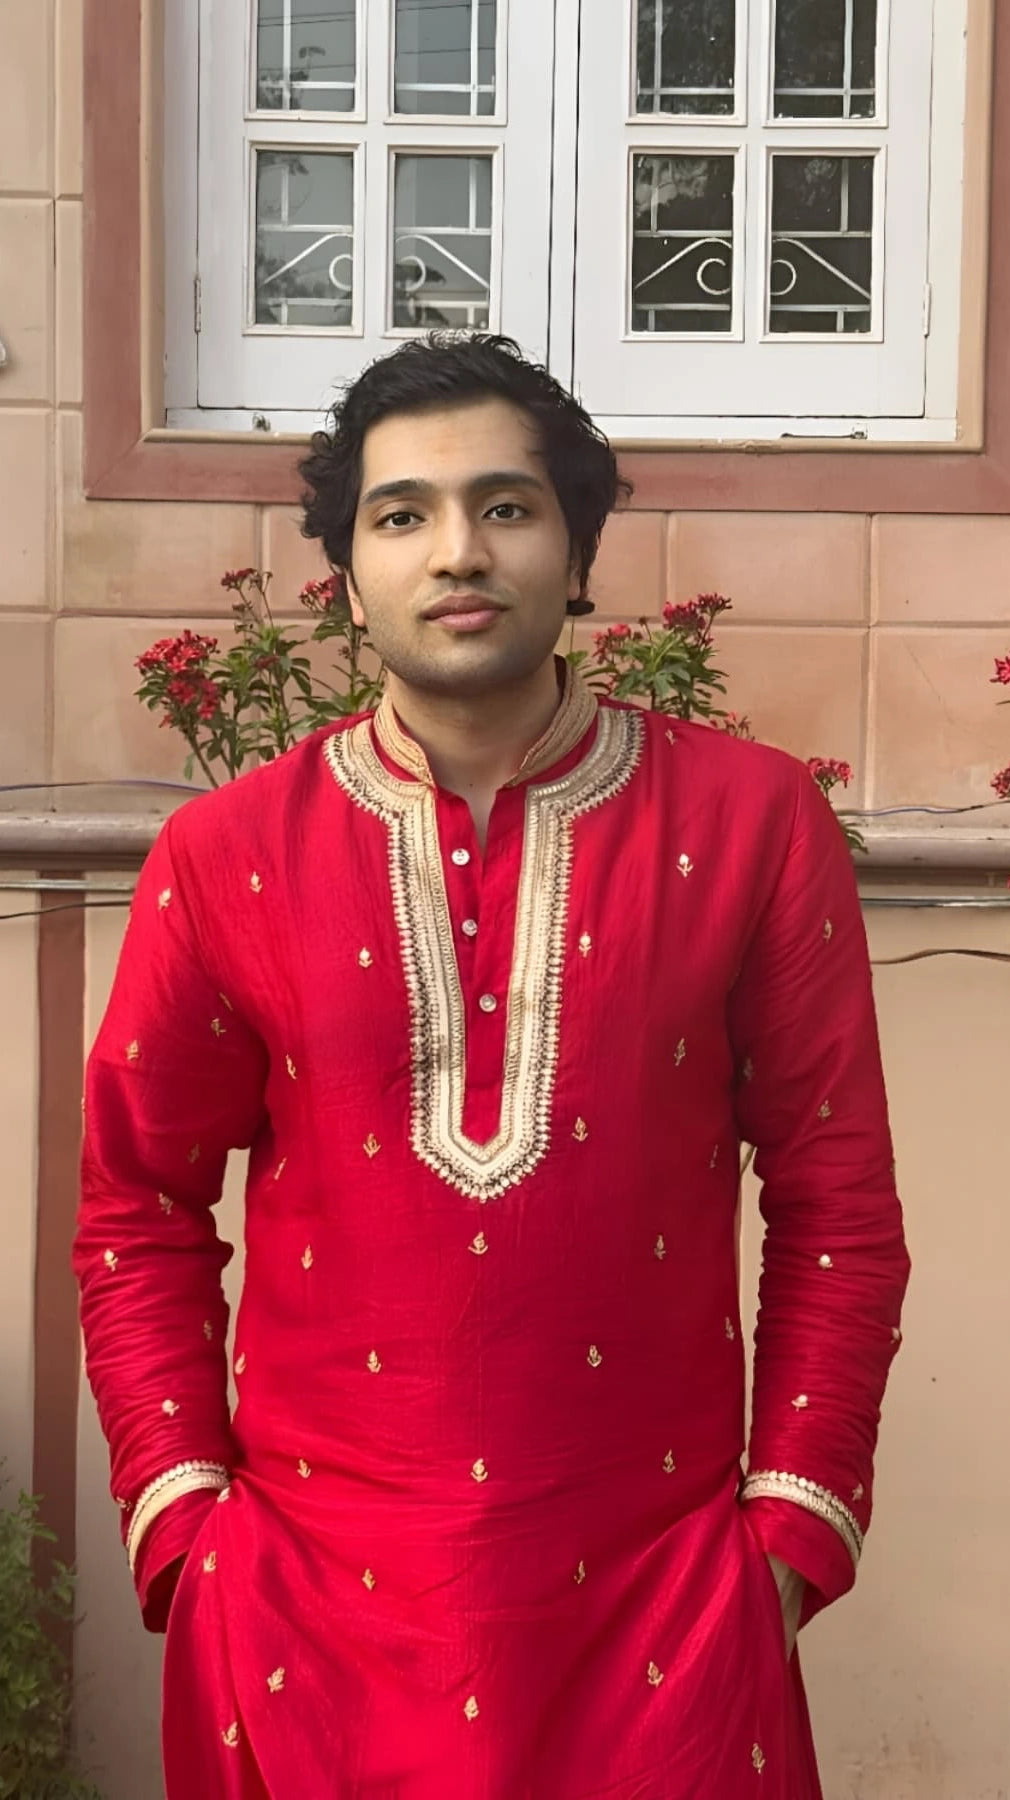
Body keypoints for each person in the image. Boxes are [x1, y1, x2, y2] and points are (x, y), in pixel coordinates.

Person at [74, 334, 909, 1799]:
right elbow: (134, 1208)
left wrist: (788, 1531)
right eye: (401, 515)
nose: (457, 551)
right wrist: (182, 1522)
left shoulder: (752, 821)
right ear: (341, 568)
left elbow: (838, 1208)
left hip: (661, 1625)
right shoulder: (224, 858)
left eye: (506, 506)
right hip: (299, 1628)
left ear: (578, 545)